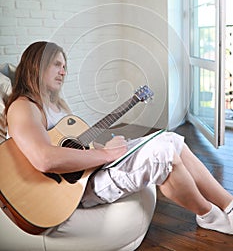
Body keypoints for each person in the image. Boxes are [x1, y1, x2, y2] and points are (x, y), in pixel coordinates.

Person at [5, 41, 233, 236]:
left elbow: (77, 149)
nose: (63, 72)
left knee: (171, 139)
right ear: (36, 65)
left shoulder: (57, 107)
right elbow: (44, 159)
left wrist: (104, 147)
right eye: (57, 64)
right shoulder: (24, 107)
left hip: (86, 173)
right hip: (66, 190)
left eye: (64, 66)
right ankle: (208, 215)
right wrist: (105, 154)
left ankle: (228, 204)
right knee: (162, 155)